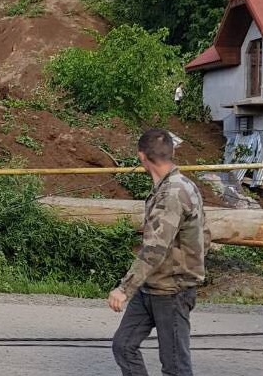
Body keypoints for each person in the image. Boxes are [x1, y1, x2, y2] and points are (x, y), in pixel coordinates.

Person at [110, 128, 209, 376]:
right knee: (124, 346)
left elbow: (154, 249)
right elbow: (205, 234)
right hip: (151, 287)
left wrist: (124, 289)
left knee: (176, 367)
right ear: (171, 153)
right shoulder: (182, 185)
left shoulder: (172, 193)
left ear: (141, 156)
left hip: (171, 292)